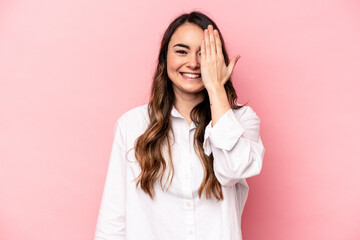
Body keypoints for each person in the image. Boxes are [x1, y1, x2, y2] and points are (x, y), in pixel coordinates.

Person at [94, 11, 265, 240]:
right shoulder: (131, 126)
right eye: (182, 51)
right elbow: (112, 221)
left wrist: (215, 88)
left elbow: (233, 170)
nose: (193, 63)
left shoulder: (242, 121)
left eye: (204, 54)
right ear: (165, 58)